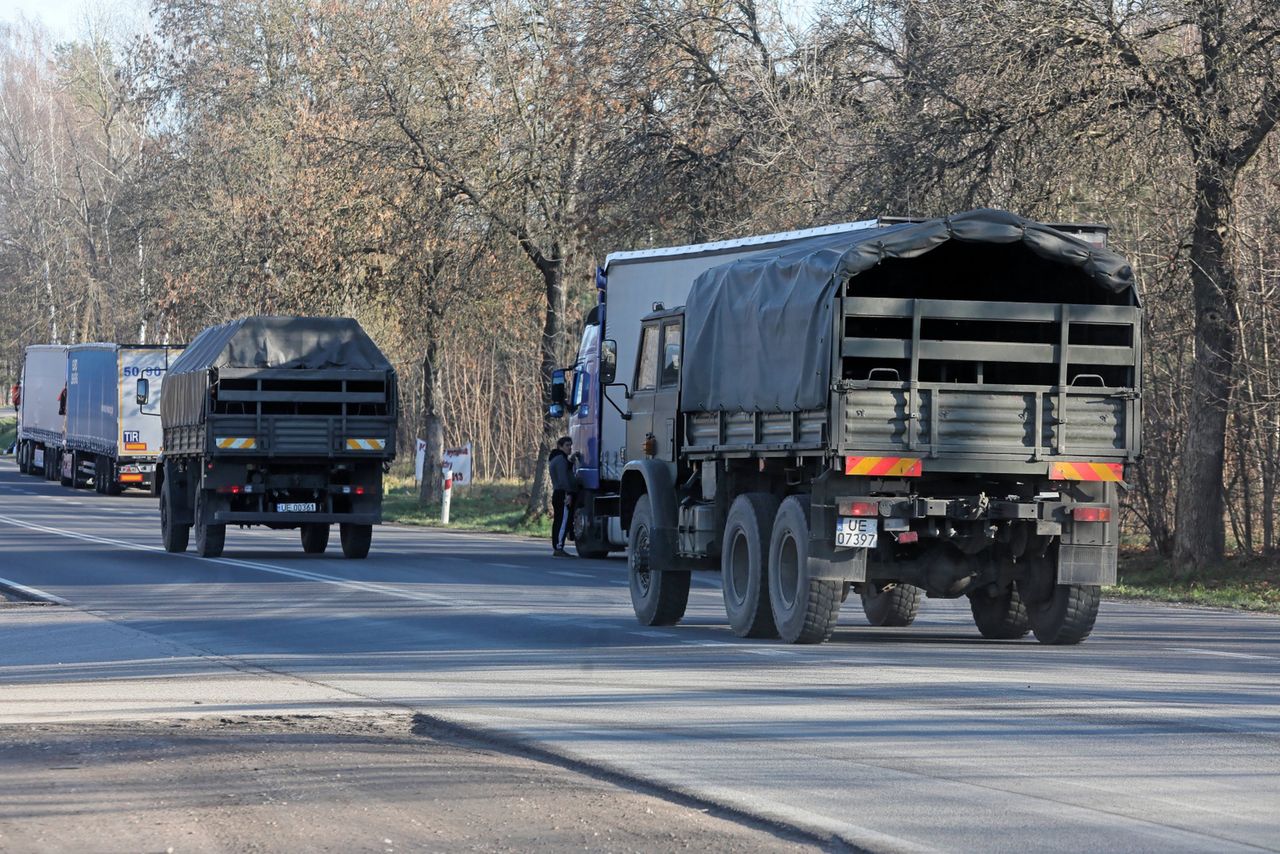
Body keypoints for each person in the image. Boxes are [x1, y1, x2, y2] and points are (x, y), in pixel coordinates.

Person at [548, 436, 576, 556]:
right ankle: (559, 547)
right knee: (562, 521)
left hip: (558, 493)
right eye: (567, 445)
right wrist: (569, 493)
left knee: (558, 521)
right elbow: (563, 478)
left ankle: (557, 546)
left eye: (570, 445)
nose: (570, 448)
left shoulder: (557, 458)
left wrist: (570, 461)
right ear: (560, 446)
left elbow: (565, 469)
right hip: (562, 493)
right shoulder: (560, 460)